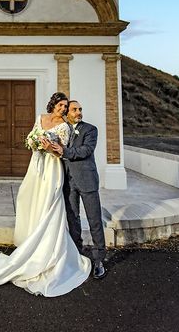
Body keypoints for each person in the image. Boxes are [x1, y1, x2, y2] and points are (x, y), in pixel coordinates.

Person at [0, 92, 91, 297]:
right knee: (30, 199)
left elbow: (63, 150)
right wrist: (36, 143)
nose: (63, 109)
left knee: (50, 202)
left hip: (52, 168)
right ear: (53, 104)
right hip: (36, 166)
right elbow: (30, 140)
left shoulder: (65, 127)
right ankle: (31, 239)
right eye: (61, 105)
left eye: (66, 107)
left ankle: (47, 251)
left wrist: (50, 147)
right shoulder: (40, 118)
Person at [49, 100, 107, 279]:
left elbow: (85, 150)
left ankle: (99, 260)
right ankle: (77, 256)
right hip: (68, 182)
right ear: (67, 112)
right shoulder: (62, 128)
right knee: (73, 220)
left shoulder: (90, 129)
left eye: (80, 109)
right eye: (74, 109)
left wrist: (63, 151)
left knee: (94, 220)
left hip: (87, 181)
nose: (78, 112)